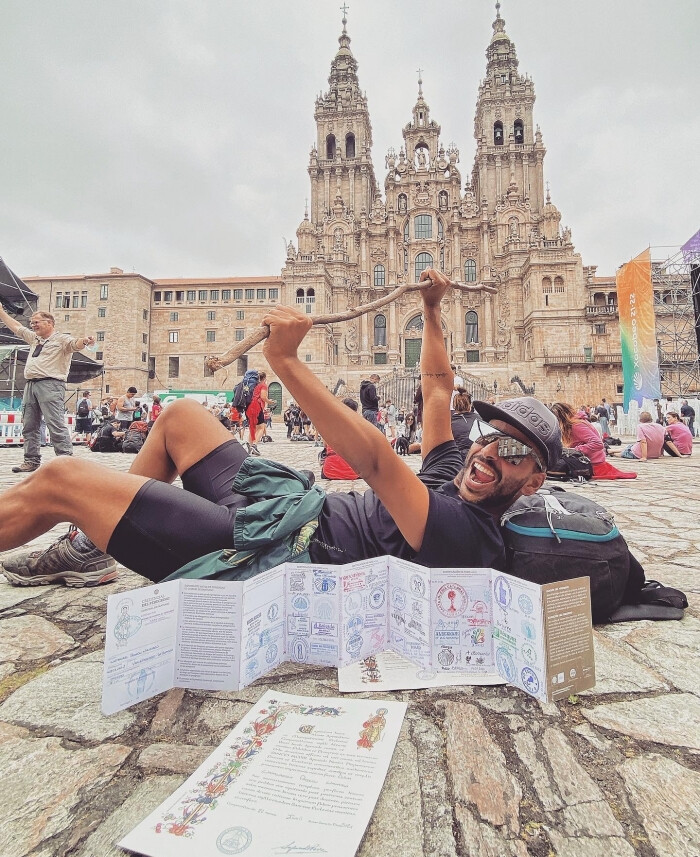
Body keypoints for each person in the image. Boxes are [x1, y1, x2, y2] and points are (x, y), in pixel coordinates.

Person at [0, 269, 560, 591]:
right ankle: (92, 546)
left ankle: (92, 523)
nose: (488, 449)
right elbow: (438, 386)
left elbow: (378, 463)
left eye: (513, 451)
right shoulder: (456, 471)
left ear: (533, 482)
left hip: (275, 549)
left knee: (62, 479)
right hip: (288, 504)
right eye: (489, 431)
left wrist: (288, 364)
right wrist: (432, 310)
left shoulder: (466, 533)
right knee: (178, 418)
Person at [0, 306, 96, 473]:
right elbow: (16, 327)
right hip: (31, 384)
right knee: (29, 424)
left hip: (51, 385)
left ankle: (65, 460)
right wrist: (1, 312)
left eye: (36, 322)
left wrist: (85, 341)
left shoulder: (62, 339)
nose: (33, 325)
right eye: (31, 323)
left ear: (49, 323)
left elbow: (76, 344)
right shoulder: (34, 338)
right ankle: (31, 460)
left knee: (55, 423)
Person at [551, 402, 636, 480]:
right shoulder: (576, 423)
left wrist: (576, 450)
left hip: (592, 464)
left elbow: (598, 443)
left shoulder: (576, 426)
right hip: (591, 461)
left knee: (554, 467)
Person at [320, 399, 361, 480]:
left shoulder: (329, 425)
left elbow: (325, 445)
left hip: (329, 472)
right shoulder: (359, 426)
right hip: (352, 472)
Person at [245, 371, 269, 456]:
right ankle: (254, 445)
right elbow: (263, 397)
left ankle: (249, 444)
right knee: (261, 428)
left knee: (253, 427)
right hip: (256, 407)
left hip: (248, 408)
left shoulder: (253, 385)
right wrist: (269, 401)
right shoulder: (263, 385)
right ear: (265, 378)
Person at [451, 389, 479, 459]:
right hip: (476, 455)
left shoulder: (448, 422)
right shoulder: (480, 419)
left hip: (457, 458)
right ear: (470, 405)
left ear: (454, 406)